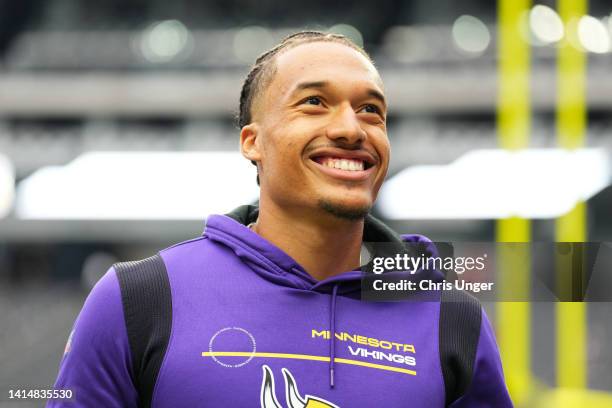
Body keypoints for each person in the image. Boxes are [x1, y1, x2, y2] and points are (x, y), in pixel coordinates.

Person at [48, 31, 513, 407]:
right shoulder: (139, 298)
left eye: (371, 110)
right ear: (253, 142)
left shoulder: (450, 318)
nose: (351, 128)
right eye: (314, 102)